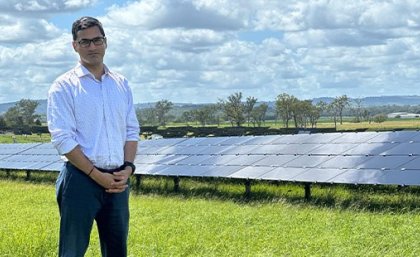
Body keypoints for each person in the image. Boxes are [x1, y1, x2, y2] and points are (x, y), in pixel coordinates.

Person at [47, 16, 140, 257]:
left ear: (105, 42)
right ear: (75, 46)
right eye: (85, 42)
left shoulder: (121, 84)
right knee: (73, 251)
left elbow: (131, 130)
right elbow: (62, 139)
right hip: (80, 181)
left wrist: (128, 168)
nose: (92, 47)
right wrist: (96, 176)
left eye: (97, 40)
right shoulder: (64, 86)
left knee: (117, 250)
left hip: (118, 180)